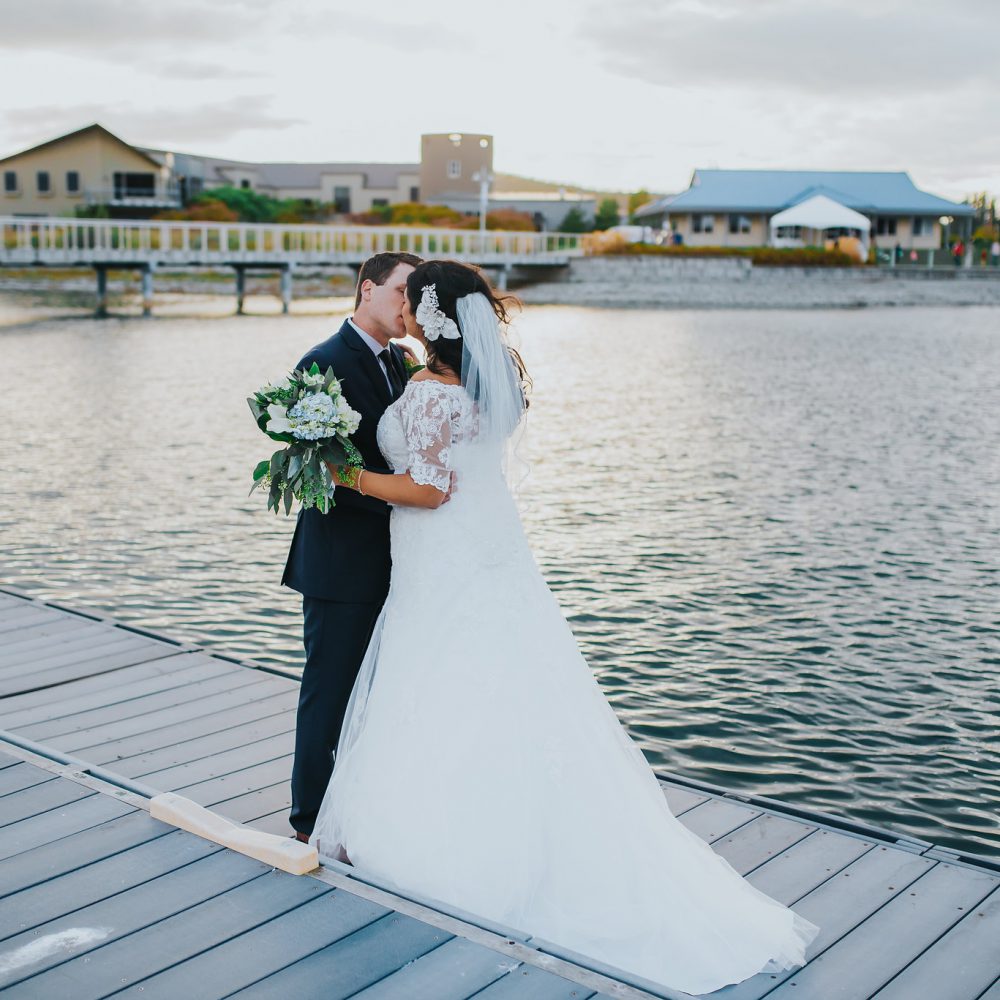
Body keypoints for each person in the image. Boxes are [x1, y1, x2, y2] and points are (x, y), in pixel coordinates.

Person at [309, 259, 821, 995]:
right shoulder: (494, 382)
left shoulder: (428, 390)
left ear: (432, 317)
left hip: (441, 554)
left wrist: (343, 473)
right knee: (499, 685)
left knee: (438, 686)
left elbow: (427, 489)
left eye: (414, 302)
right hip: (490, 553)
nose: (407, 311)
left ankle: (439, 842)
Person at [282, 250, 423, 843]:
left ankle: (363, 811)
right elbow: (320, 474)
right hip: (341, 564)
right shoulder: (322, 364)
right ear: (367, 290)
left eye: (416, 299)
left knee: (382, 696)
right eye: (402, 294)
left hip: (405, 560)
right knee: (330, 695)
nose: (409, 309)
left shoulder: (406, 360)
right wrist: (406, 497)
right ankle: (308, 821)